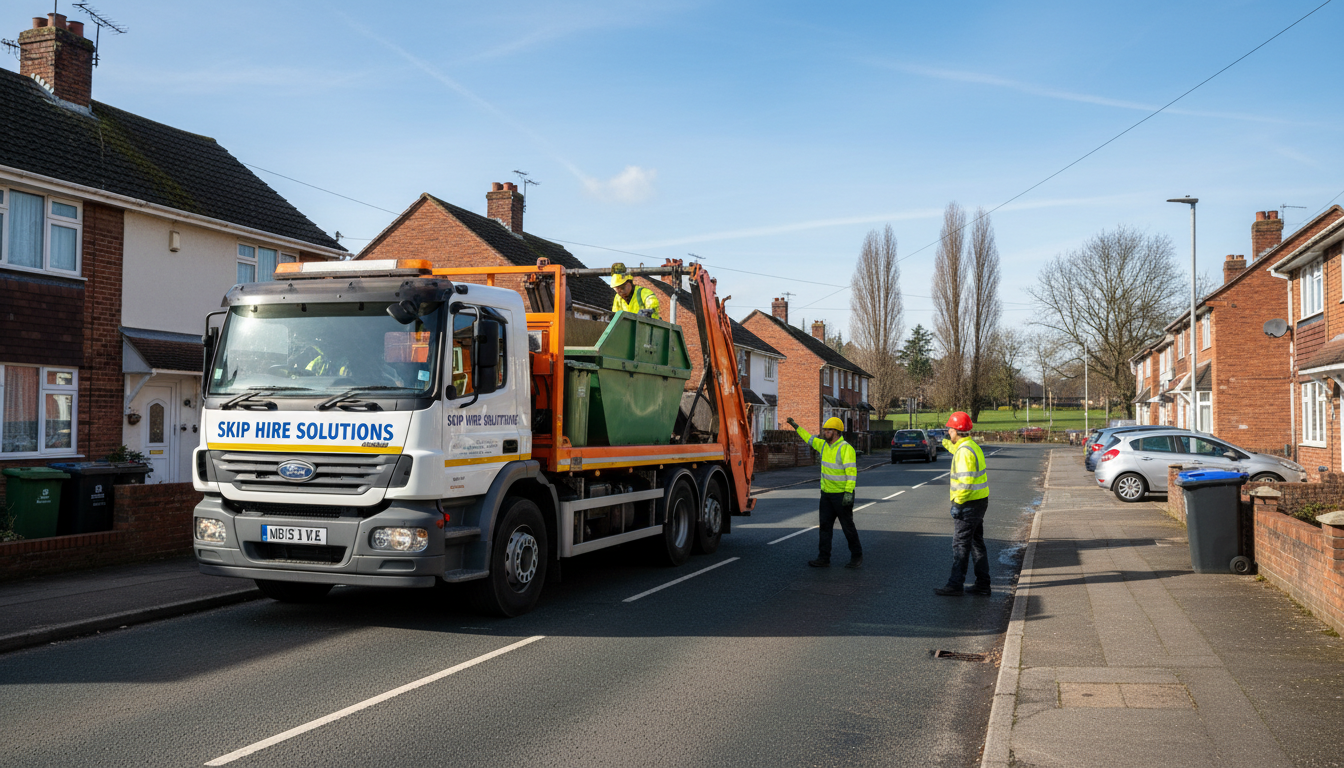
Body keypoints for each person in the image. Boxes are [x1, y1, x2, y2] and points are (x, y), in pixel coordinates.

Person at [786, 415, 862, 568]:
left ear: (836, 432)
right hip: (826, 495)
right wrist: (796, 426)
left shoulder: (845, 448)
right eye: (824, 430)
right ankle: (823, 558)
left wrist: (848, 492)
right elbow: (808, 438)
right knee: (825, 527)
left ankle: (856, 557)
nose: (824, 432)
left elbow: (851, 472)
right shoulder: (823, 445)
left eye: (828, 430)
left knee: (848, 527)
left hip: (842, 495)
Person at [935, 411, 991, 596]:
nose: (948, 433)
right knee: (976, 544)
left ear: (956, 431)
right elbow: (955, 448)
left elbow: (965, 482)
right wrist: (942, 442)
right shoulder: (970, 446)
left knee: (960, 545)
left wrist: (957, 504)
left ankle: (955, 584)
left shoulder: (964, 452)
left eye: (949, 430)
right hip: (979, 501)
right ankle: (983, 585)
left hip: (967, 503)